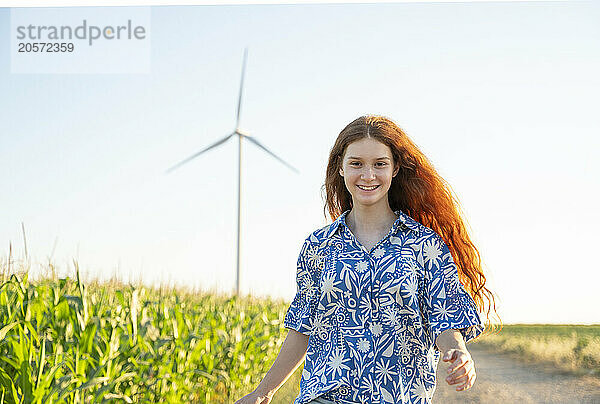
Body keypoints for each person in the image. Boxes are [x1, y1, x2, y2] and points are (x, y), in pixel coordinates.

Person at [235, 115, 499, 404]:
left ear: (395, 168)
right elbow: (302, 330)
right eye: (357, 163)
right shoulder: (318, 246)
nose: (368, 175)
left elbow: (445, 320)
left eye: (379, 164)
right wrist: (263, 392)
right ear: (341, 167)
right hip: (324, 397)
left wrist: (459, 353)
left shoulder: (424, 245)